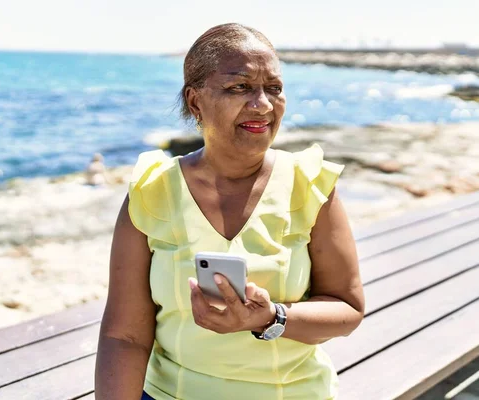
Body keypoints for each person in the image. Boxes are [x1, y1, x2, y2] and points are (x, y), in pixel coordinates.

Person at [95, 23, 364, 400]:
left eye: (273, 88)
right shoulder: (151, 191)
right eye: (240, 87)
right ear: (195, 102)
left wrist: (270, 318)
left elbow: (348, 309)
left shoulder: (311, 185)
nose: (264, 104)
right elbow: (124, 335)